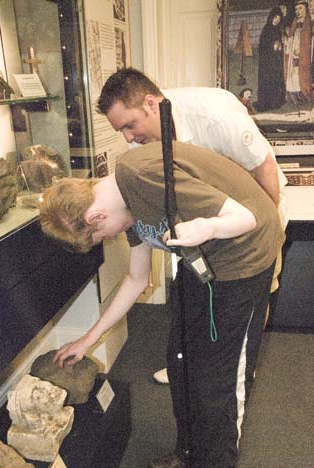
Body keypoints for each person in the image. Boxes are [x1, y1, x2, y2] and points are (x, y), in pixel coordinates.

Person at [39, 141, 284, 468]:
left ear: (94, 219)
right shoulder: (125, 205)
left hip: (243, 259)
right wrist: (89, 338)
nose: (108, 239)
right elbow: (136, 280)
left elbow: (248, 218)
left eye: (100, 237)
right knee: (182, 360)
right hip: (201, 261)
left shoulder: (142, 176)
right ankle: (188, 452)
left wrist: (207, 227)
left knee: (218, 377)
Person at [96, 67, 287, 386]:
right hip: (204, 222)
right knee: (197, 298)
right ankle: (190, 365)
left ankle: (243, 362)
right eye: (121, 131)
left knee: (254, 296)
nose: (128, 137)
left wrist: (263, 235)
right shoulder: (140, 143)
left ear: (150, 103)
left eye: (130, 125)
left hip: (258, 212)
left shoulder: (216, 114)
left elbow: (263, 168)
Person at [256, 7, 286, 111]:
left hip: (275, 60)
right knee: (268, 81)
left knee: (276, 80)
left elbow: (280, 43)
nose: (277, 20)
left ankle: (276, 101)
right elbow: (262, 46)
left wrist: (279, 45)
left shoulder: (278, 30)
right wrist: (272, 45)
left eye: (279, 18)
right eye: (275, 17)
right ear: (271, 17)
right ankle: (267, 103)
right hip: (267, 61)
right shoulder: (266, 29)